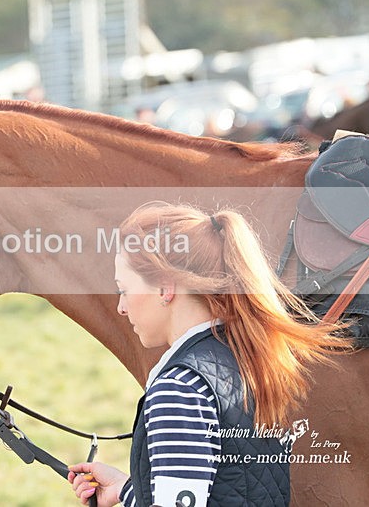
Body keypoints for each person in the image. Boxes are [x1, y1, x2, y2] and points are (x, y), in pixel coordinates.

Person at [68, 202, 350, 507]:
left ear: (165, 288)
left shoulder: (179, 390)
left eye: (124, 289)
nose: (121, 307)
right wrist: (127, 491)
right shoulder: (248, 360)